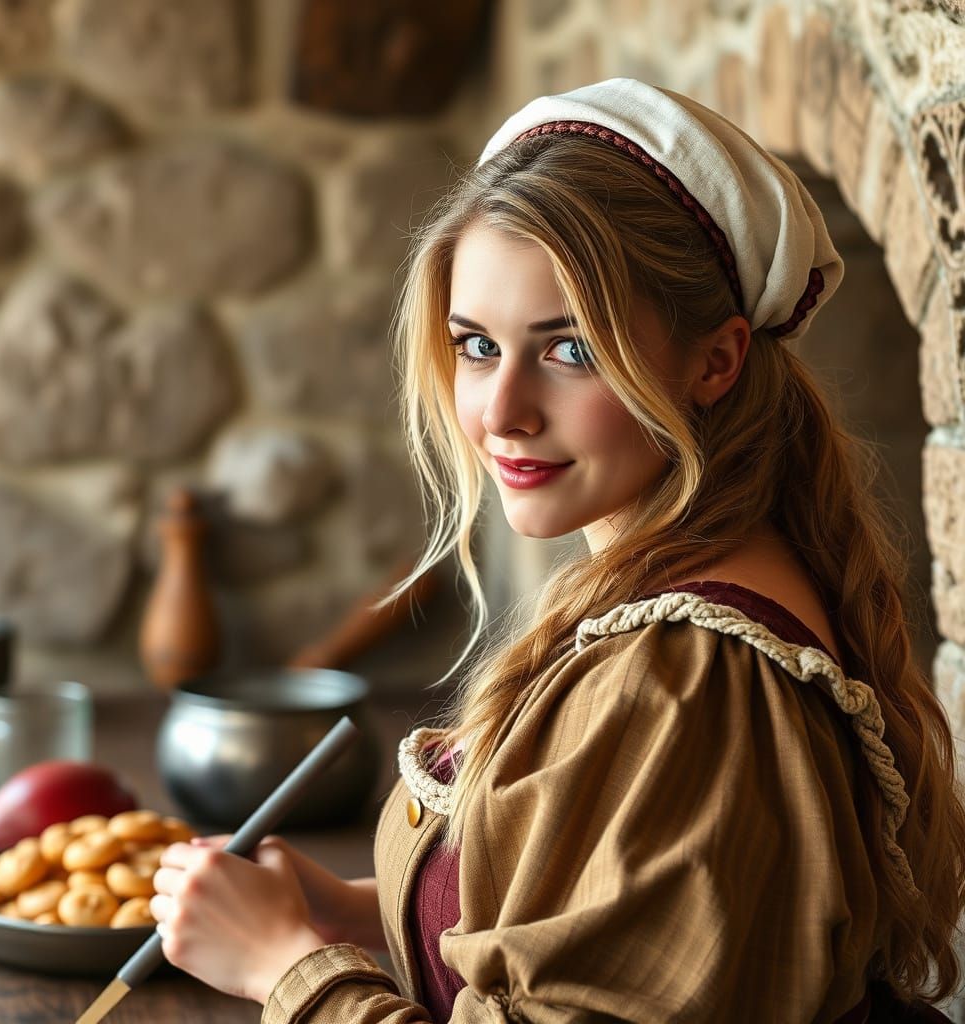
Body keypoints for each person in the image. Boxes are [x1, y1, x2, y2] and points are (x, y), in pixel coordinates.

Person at [149, 78, 965, 1022]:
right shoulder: (664, 589)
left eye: (570, 348)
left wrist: (286, 966)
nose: (501, 412)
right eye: (478, 346)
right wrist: (352, 912)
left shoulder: (692, 680)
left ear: (717, 361)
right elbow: (595, 917)